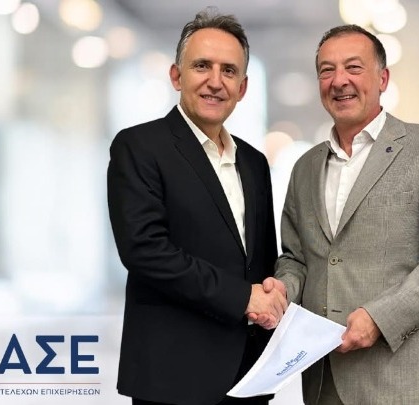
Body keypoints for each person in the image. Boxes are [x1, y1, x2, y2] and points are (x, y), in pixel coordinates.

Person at [271, 24, 419, 404]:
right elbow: (296, 258)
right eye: (327, 70)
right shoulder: (304, 167)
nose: (339, 81)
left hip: (398, 379)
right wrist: (283, 290)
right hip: (322, 379)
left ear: (382, 79)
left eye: (353, 67)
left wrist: (381, 318)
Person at [107, 9, 286, 405]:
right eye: (202, 66)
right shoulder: (139, 147)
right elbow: (145, 251)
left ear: (242, 87)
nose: (215, 82)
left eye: (229, 71)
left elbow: (260, 260)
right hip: (174, 379)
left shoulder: (254, 162)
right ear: (177, 76)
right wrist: (243, 297)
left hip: (248, 377)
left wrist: (273, 291)